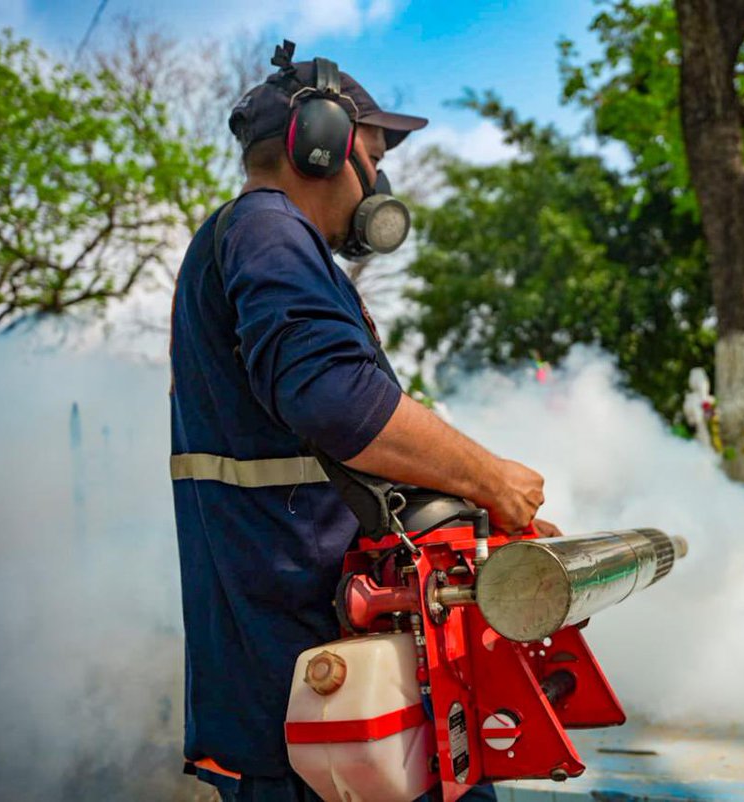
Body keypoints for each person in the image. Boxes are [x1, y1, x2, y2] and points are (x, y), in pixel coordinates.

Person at [170, 45, 558, 802]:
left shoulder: (255, 242)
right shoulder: (268, 231)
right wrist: (491, 478)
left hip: (309, 676)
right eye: (373, 155)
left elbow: (341, 440)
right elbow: (335, 400)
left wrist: (469, 502)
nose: (380, 181)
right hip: (318, 687)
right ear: (320, 141)